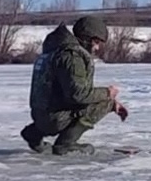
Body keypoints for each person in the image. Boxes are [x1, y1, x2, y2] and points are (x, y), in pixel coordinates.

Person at [20, 14, 127, 154]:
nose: (97, 48)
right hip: (55, 119)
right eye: (97, 42)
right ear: (88, 39)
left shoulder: (55, 50)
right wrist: (108, 95)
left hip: (41, 116)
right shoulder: (72, 56)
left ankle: (35, 133)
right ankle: (66, 144)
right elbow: (78, 95)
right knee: (106, 102)